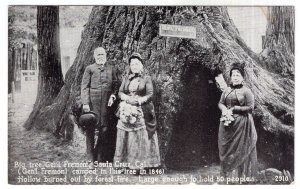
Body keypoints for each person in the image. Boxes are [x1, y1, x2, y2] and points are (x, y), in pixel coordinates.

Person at [113, 52, 160, 171]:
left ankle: (138, 165)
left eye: (137, 64)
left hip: (141, 108)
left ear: (141, 65)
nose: (134, 66)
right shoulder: (126, 78)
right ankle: (123, 163)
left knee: (139, 134)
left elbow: (150, 94)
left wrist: (138, 101)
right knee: (123, 130)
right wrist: (128, 99)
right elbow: (120, 92)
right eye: (132, 64)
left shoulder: (147, 78)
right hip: (127, 107)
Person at [218, 62, 258, 180]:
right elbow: (220, 103)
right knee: (227, 150)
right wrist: (224, 109)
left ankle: (241, 176)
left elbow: (251, 108)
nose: (235, 77)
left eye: (237, 75)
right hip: (227, 124)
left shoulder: (247, 91)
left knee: (240, 150)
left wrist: (235, 109)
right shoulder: (226, 90)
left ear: (242, 78)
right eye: (233, 75)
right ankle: (228, 176)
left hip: (242, 125)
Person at [81, 47, 119, 164]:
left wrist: (113, 95)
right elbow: (84, 86)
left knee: (105, 129)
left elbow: (116, 84)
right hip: (93, 104)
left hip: (106, 106)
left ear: (106, 55)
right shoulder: (90, 69)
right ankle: (90, 157)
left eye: (102, 54)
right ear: (94, 56)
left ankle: (99, 155)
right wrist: (85, 103)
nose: (100, 56)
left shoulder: (111, 69)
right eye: (98, 55)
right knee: (90, 129)